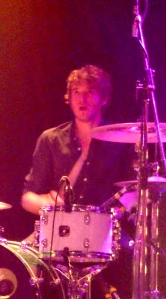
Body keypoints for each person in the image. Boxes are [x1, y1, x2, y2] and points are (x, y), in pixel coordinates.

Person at [21, 64, 134, 214]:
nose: (82, 99)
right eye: (76, 92)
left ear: (104, 98)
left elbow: (134, 190)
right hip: (60, 231)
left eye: (89, 91)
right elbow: (28, 198)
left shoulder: (122, 140)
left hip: (105, 230)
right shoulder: (50, 139)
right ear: (69, 97)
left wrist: (116, 213)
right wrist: (48, 203)